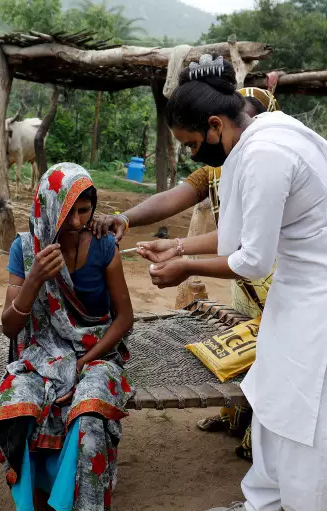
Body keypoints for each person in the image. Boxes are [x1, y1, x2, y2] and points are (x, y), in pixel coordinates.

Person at [138, 56, 327, 511]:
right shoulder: (254, 136)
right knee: (273, 391)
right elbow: (239, 237)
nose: (193, 155)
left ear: (215, 126)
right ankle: (263, 508)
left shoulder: (267, 153)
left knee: (309, 407)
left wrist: (185, 268)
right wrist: (180, 247)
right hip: (301, 285)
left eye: (192, 144)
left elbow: (252, 261)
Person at [91, 87, 280, 461]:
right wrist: (127, 218)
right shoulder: (220, 164)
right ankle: (237, 414)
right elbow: (178, 198)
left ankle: (262, 436)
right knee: (246, 346)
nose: (194, 152)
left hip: (275, 279)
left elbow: (250, 246)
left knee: (274, 352)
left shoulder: (267, 165)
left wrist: (185, 260)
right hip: (245, 276)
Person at [0, 163, 135, 511]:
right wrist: (35, 278)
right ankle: (38, 487)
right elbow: (9, 326)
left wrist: (85, 362)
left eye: (85, 211)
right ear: (48, 207)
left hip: (96, 350)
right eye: (68, 211)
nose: (76, 221)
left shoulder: (103, 246)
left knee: (90, 410)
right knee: (19, 401)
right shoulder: (26, 250)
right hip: (42, 351)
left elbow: (124, 318)